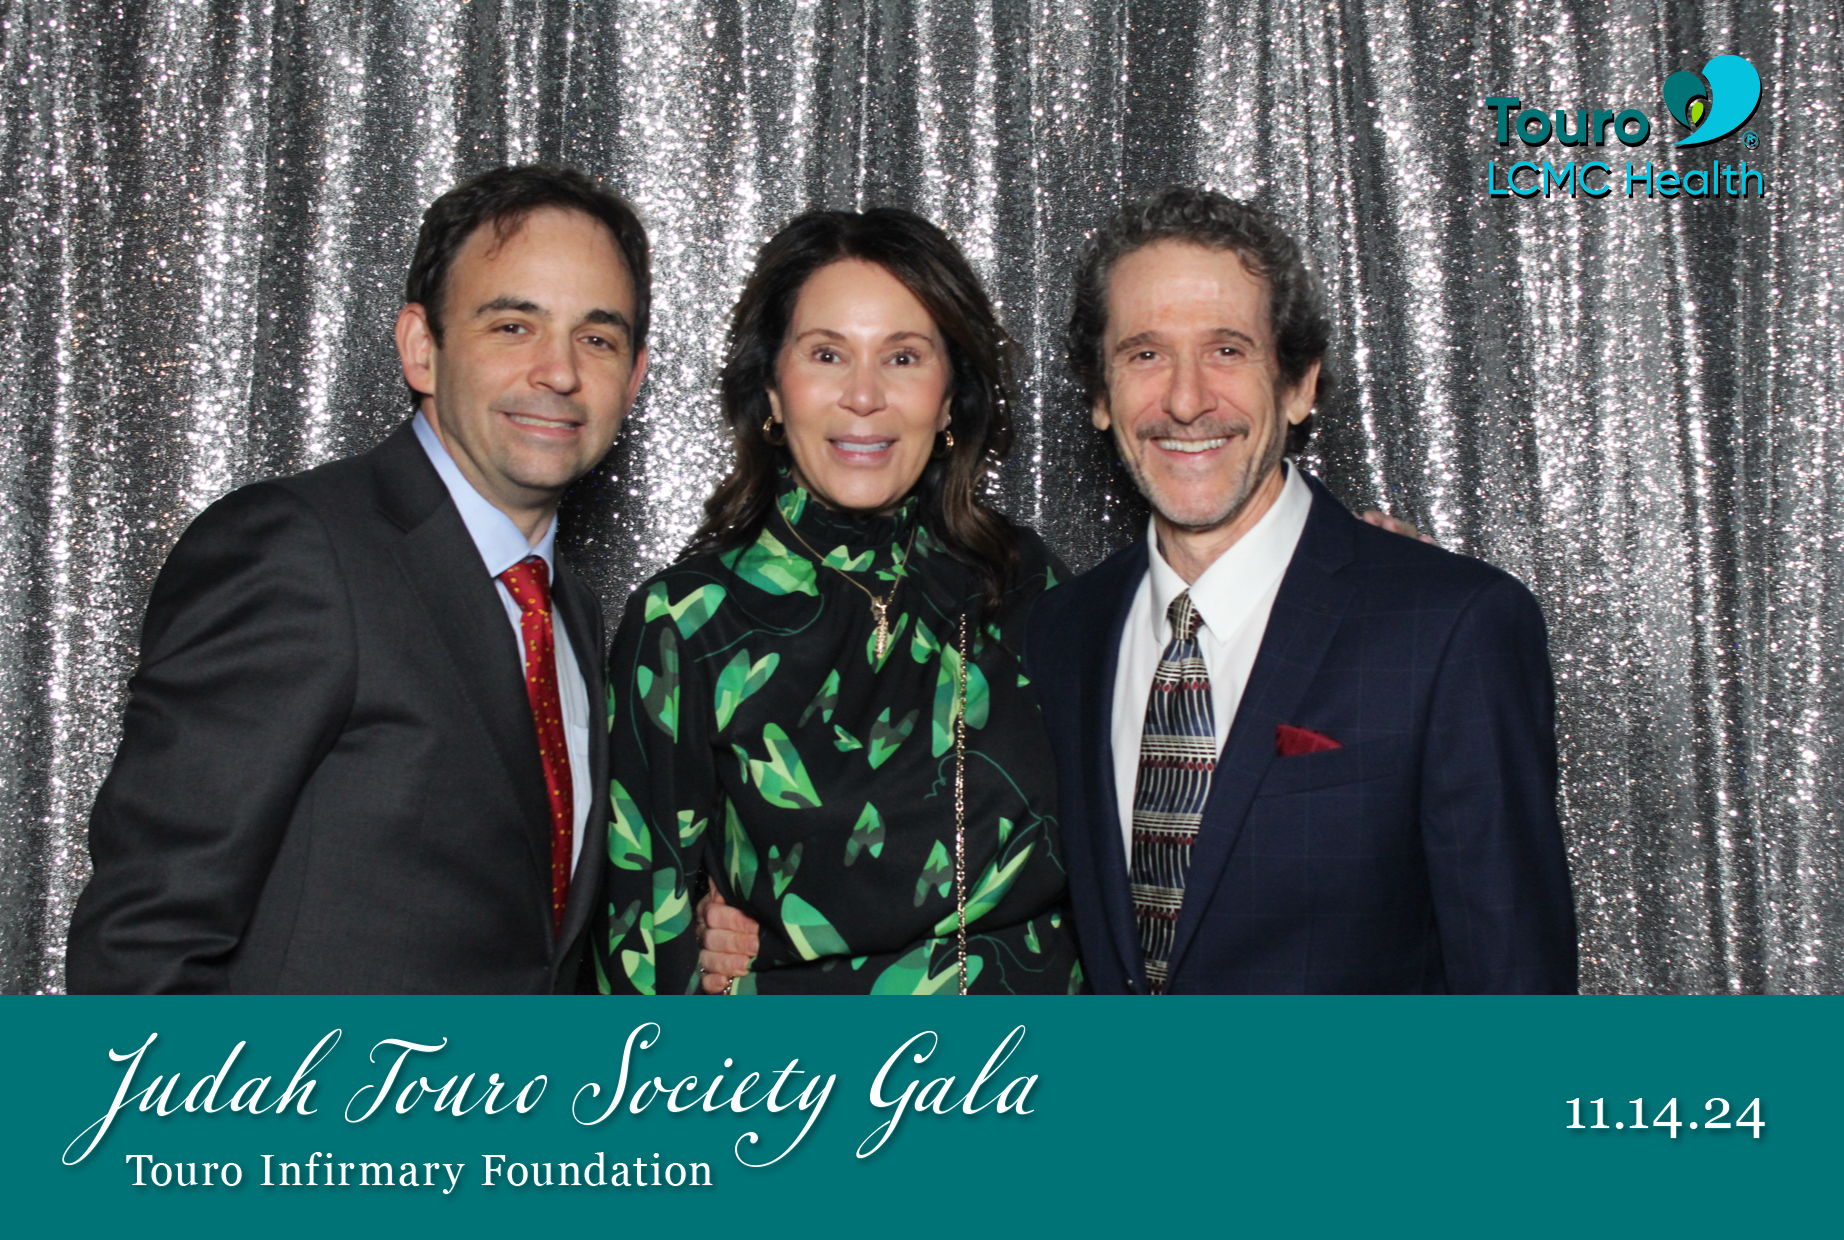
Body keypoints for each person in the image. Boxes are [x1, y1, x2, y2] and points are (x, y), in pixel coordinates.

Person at [65, 165, 650, 993]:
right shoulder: (296, 551)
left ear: (634, 377)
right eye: (513, 326)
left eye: (597, 338)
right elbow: (145, 939)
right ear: (421, 348)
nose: (558, 372)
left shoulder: (571, 613)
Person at [1023, 186, 1577, 993]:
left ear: (1299, 385)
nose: (1185, 400)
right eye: (1145, 355)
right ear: (1100, 397)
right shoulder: (1060, 632)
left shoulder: (1449, 627)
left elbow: (1513, 983)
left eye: (1227, 350)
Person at [597, 209, 1081, 994]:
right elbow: (640, 948)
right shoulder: (688, 623)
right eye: (827, 354)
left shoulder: (1029, 583)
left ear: (950, 398)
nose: (864, 395)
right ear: (772, 390)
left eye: (903, 357)